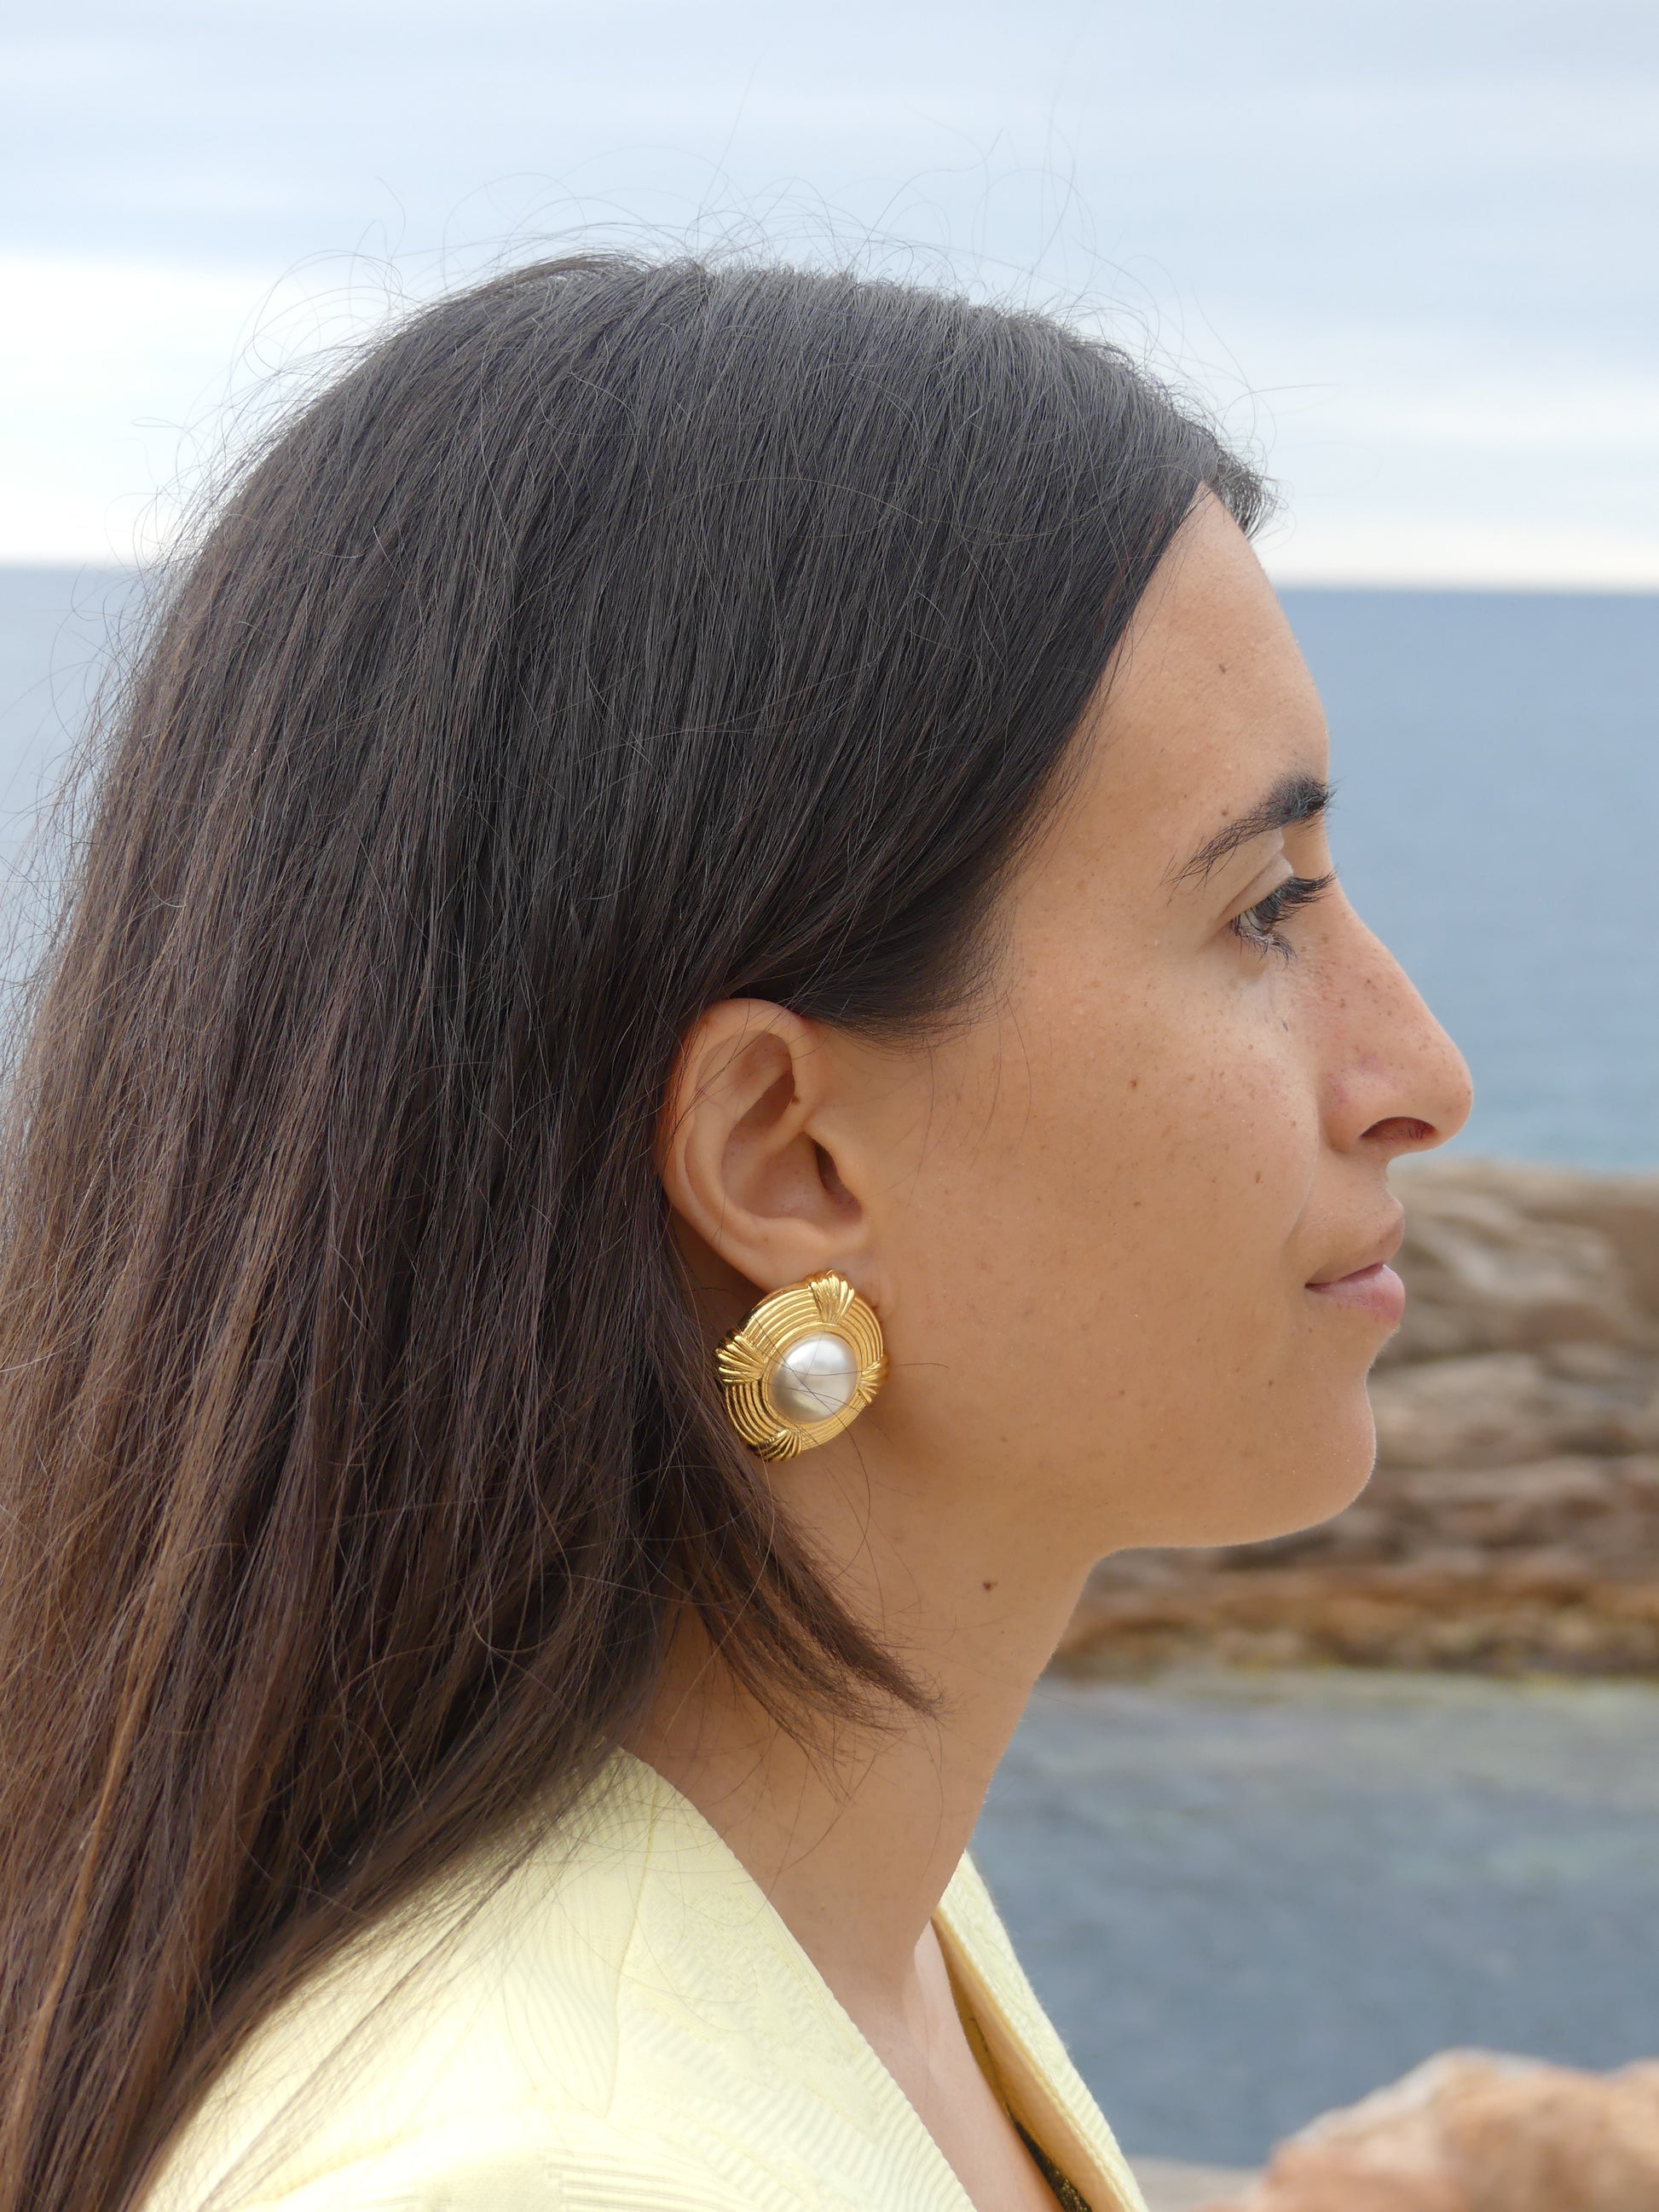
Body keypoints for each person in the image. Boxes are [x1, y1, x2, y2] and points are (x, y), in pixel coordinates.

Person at [0, 253, 1471, 2212]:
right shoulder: (545, 2167)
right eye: (1259, 908)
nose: (1418, 1072)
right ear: (783, 1151)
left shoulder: (847, 1910)